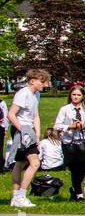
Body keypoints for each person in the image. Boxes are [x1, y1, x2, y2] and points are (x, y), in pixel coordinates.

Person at [7, 68, 50, 208]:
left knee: (19, 163)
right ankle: (21, 195)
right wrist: (23, 130)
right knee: (35, 163)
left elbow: (35, 115)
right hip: (21, 129)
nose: (44, 84)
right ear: (32, 81)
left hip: (29, 130)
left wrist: (37, 134)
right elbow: (11, 114)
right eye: (42, 81)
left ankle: (15, 197)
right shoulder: (23, 93)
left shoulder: (36, 94)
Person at [55, 85, 85, 201]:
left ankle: (75, 188)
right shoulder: (65, 109)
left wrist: (83, 126)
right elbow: (57, 125)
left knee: (82, 168)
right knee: (73, 167)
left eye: (78, 95)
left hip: (83, 142)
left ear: (83, 97)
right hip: (69, 142)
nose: (76, 97)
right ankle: (78, 193)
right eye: (74, 94)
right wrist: (70, 126)